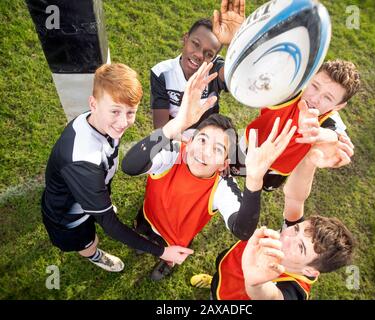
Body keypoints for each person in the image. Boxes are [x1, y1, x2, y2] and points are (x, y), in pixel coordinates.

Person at [122, 61, 297, 280]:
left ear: (224, 164)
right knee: (143, 234)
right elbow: (129, 166)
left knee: (173, 252)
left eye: (217, 149)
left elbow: (242, 231)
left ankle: (167, 262)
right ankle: (145, 242)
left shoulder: (222, 187)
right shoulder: (174, 153)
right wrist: (177, 125)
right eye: (202, 140)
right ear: (190, 140)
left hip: (178, 236)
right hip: (148, 217)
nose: (203, 152)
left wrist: (254, 179)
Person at [41, 63, 193, 273]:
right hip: (68, 218)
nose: (123, 122)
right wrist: (163, 252)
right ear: (93, 104)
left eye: (130, 112)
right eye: (115, 111)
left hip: (87, 194)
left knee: (99, 208)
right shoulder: (84, 162)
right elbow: (111, 226)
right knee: (88, 242)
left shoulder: (96, 121)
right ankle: (94, 255)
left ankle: (99, 211)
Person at [191, 138, 356, 299]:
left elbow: (272, 297)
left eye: (300, 247)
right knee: (218, 281)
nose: (288, 235)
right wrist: (309, 161)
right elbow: (295, 198)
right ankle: (214, 282)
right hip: (228, 267)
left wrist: (255, 283)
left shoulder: (295, 290)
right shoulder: (293, 236)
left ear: (309, 271)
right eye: (297, 228)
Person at [231, 59, 361, 191]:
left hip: (278, 168)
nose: (314, 99)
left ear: (338, 106)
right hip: (252, 145)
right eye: (315, 86)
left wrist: (316, 133)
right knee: (228, 170)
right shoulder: (288, 92)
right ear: (310, 78)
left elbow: (336, 135)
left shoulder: (329, 119)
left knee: (258, 188)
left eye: (327, 98)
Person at [150, 0, 245, 130]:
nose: (200, 55)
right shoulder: (162, 73)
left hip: (204, 140)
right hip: (174, 138)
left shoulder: (214, 68)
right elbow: (160, 129)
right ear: (185, 39)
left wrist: (233, 42)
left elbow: (236, 76)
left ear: (214, 57)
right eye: (195, 44)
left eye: (209, 54)